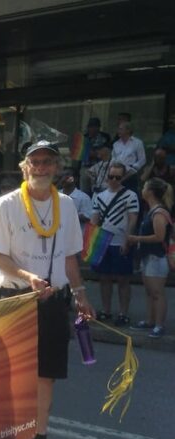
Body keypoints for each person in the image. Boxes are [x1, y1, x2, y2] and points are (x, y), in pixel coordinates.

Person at [0, 140, 93, 439]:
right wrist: (27, 275)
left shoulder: (67, 206)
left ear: (57, 167)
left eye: (48, 162)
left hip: (53, 302)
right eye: (36, 162)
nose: (42, 168)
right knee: (9, 377)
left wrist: (80, 294)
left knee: (46, 376)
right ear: (25, 167)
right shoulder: (7, 205)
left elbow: (72, 256)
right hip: (15, 299)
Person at [90, 161, 139, 326]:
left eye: (117, 177)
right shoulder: (99, 196)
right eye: (111, 176)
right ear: (107, 176)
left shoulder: (131, 195)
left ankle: (123, 313)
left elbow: (133, 219)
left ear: (122, 177)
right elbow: (94, 220)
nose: (114, 180)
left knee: (123, 279)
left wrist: (127, 239)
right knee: (104, 278)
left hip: (120, 242)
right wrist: (90, 243)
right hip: (103, 242)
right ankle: (106, 310)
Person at [126, 178, 171, 338]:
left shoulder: (159, 212)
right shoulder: (152, 210)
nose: (142, 189)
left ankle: (159, 325)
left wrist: (136, 239)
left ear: (150, 192)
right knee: (150, 291)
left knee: (157, 292)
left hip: (156, 257)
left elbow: (159, 236)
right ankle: (150, 320)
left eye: (145, 187)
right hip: (148, 257)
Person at [112, 121, 146, 193]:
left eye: (121, 129)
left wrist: (133, 168)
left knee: (131, 194)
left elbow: (142, 159)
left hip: (131, 174)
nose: (118, 131)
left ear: (128, 130)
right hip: (117, 174)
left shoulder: (137, 143)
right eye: (118, 129)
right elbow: (113, 158)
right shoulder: (116, 144)